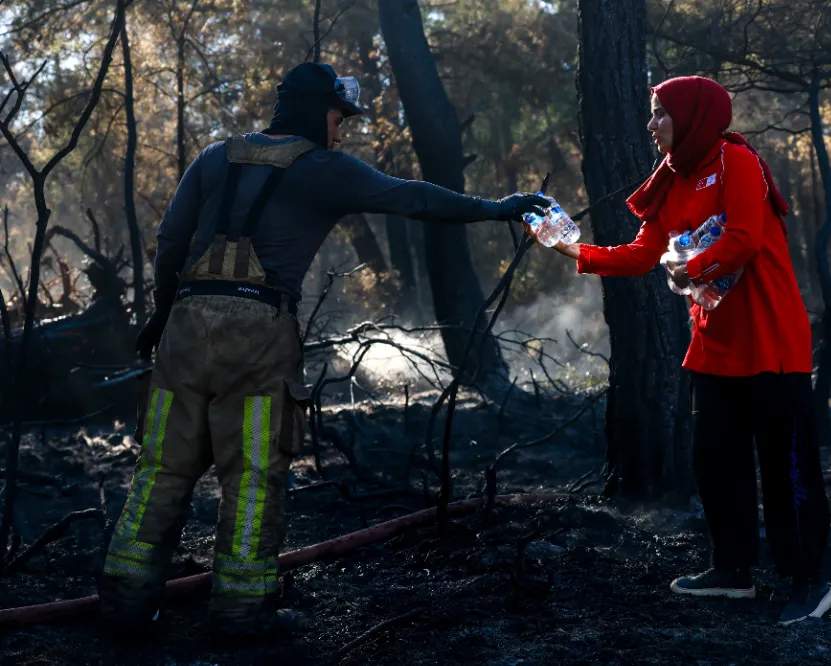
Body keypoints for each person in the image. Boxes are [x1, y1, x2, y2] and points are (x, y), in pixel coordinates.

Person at [99, 62, 548, 638]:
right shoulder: (325, 168)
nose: (340, 132)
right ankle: (240, 614)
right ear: (317, 113)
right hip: (257, 333)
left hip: (184, 328)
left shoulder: (214, 157)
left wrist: (163, 314)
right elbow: (414, 198)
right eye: (338, 119)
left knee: (161, 468)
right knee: (252, 475)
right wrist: (497, 207)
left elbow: (169, 240)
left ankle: (124, 603)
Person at [526, 76, 831, 626]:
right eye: (652, 114)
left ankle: (809, 581)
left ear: (693, 117)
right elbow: (642, 254)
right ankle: (733, 570)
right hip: (715, 346)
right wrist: (572, 249)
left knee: (785, 466)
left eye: (660, 113)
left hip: (772, 340)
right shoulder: (672, 178)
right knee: (715, 460)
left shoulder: (737, 162)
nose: (651, 125)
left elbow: (744, 238)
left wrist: (690, 269)